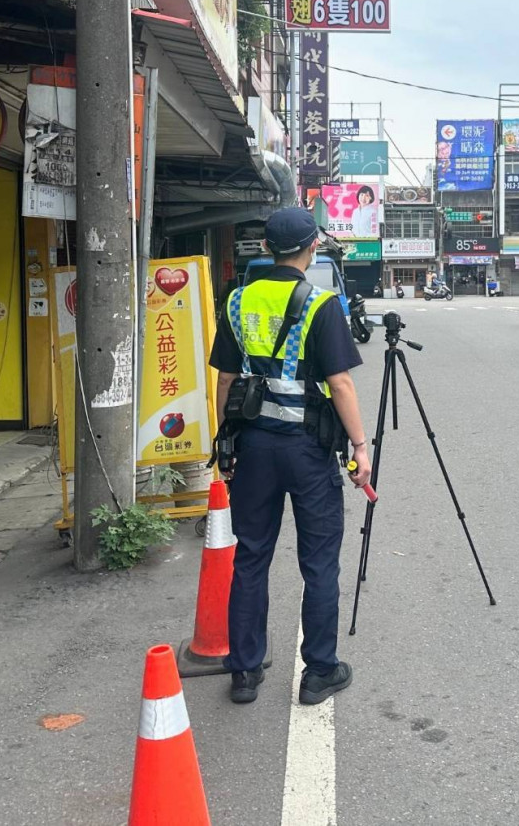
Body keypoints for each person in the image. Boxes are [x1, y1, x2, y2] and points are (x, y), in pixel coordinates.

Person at [210, 208, 371, 706]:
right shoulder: (322, 305)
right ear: (312, 248)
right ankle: (320, 671)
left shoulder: (238, 303)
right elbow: (340, 383)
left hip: (254, 447)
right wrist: (361, 447)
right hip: (308, 449)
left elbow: (225, 380)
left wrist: (225, 438)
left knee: (251, 557)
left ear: (266, 249)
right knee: (319, 562)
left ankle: (244, 672)